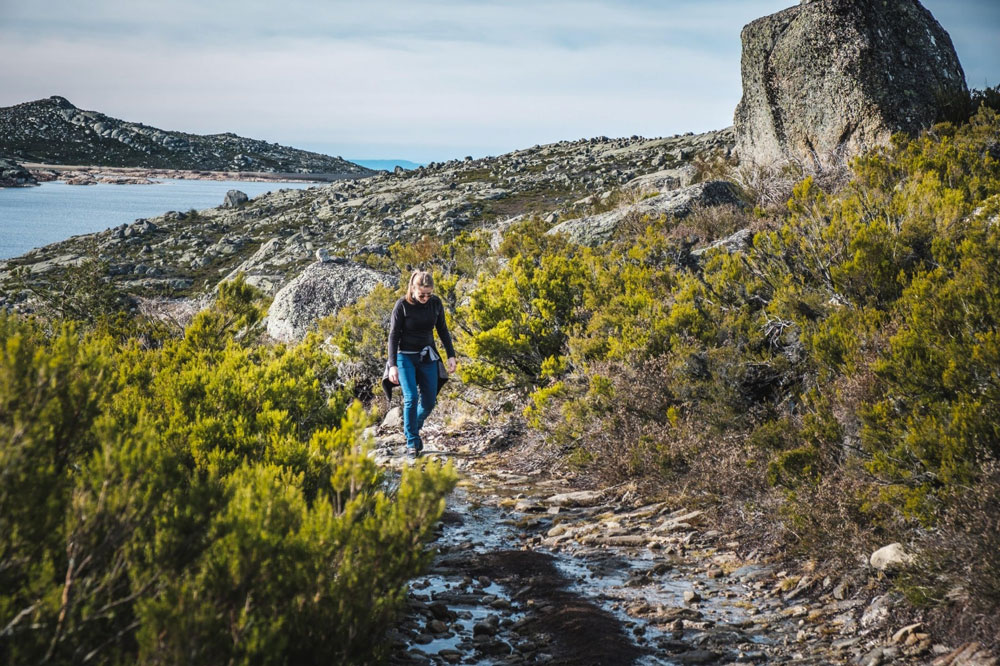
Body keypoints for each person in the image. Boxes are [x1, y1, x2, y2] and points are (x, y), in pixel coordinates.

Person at [386, 270, 457, 458]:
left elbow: (442, 329)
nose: (425, 298)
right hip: (405, 357)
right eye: (421, 294)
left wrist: (451, 355)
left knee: (429, 401)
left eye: (429, 294)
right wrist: (392, 365)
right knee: (411, 398)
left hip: (427, 356)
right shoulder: (402, 305)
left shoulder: (435, 304)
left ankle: (412, 428)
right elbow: (393, 336)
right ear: (413, 289)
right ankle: (412, 442)